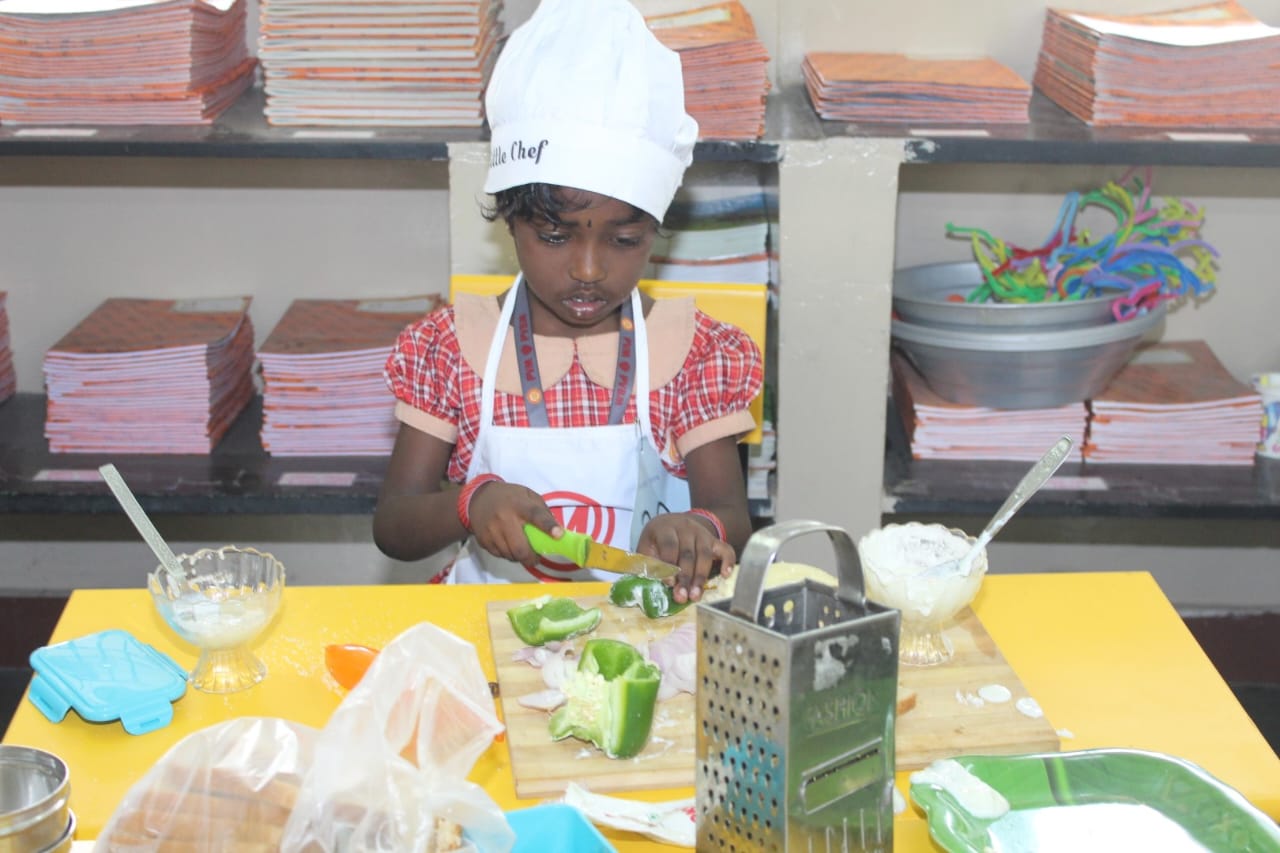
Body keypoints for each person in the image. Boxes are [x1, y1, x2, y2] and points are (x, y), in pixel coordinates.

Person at [373, 0, 763, 603]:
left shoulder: (689, 352)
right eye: (554, 237)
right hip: (491, 620)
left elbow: (732, 511)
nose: (588, 270)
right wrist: (470, 503)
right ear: (510, 221)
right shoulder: (454, 347)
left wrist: (698, 530)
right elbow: (394, 525)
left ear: (658, 230)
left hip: (641, 638)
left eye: (625, 240)